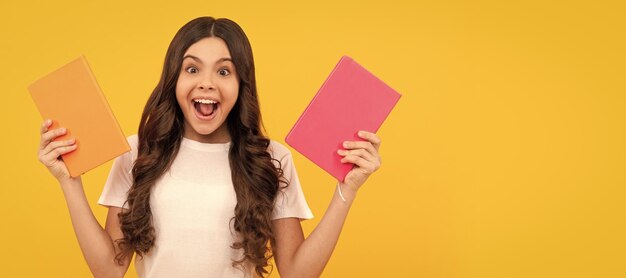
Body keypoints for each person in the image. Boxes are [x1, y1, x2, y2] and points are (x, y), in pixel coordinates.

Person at [37, 16, 382, 278]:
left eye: (223, 71)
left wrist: (346, 191)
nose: (206, 83)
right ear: (175, 79)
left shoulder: (270, 158)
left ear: (240, 83)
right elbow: (109, 269)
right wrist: (69, 181)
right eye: (192, 69)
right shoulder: (138, 152)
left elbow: (296, 271)